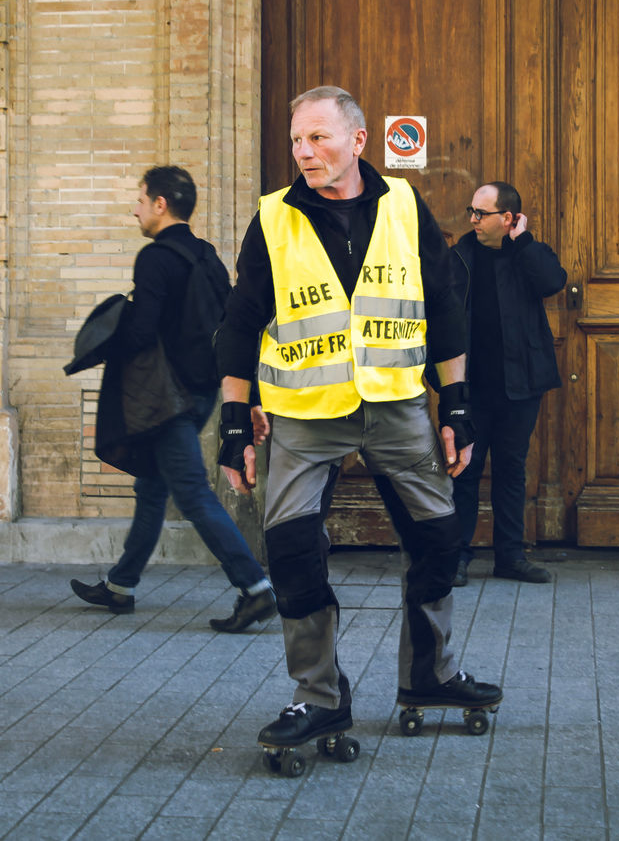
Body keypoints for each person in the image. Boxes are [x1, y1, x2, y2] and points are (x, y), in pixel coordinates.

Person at [214, 86, 502, 750]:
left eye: (318, 137)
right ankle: (318, 696)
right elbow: (239, 321)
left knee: (440, 538)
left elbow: (443, 304)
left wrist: (455, 403)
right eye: (296, 139)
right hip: (303, 415)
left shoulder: (403, 204)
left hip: (397, 408)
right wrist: (233, 421)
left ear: (358, 141)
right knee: (291, 552)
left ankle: (430, 674)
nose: (303, 151)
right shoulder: (273, 217)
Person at [69, 166, 278, 633]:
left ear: (160, 204)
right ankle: (121, 585)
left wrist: (109, 333)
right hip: (201, 394)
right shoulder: (207, 257)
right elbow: (232, 331)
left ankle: (255, 588)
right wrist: (249, 396)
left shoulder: (155, 258)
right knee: (152, 487)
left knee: (193, 494)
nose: (136, 209)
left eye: (140, 200)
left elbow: (142, 332)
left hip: (167, 401)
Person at [446, 181, 567, 586]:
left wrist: (523, 242)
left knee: (511, 469)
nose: (473, 220)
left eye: (482, 213)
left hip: (520, 384)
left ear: (509, 218)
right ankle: (457, 556)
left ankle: (510, 557)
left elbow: (552, 282)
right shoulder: (459, 257)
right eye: (472, 211)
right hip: (471, 386)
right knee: (464, 469)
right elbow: (441, 317)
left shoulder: (529, 253)